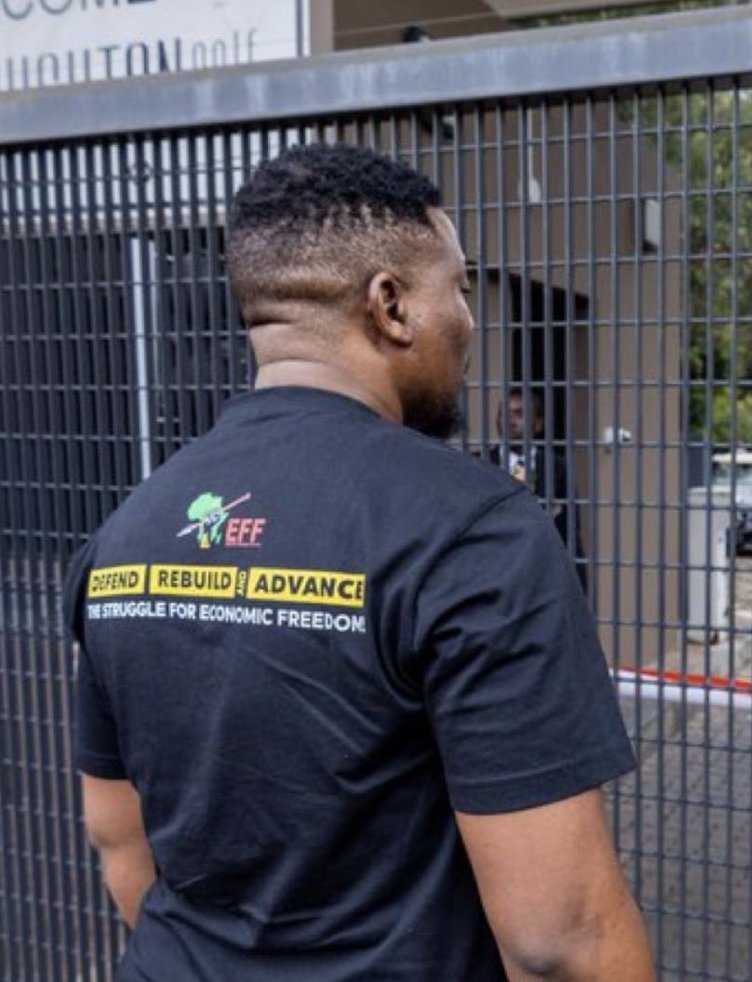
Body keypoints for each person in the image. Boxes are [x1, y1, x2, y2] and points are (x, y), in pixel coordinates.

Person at [64, 143, 653, 981]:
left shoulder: (123, 536)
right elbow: (561, 942)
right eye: (457, 288)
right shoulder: (473, 531)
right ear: (391, 305)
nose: (470, 320)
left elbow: (118, 838)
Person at [487, 386, 588, 592]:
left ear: (538, 424)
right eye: (503, 414)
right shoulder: (480, 463)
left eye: (519, 414)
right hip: (493, 575)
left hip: (541, 576)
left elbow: (569, 530)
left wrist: (579, 587)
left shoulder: (557, 468)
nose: (510, 421)